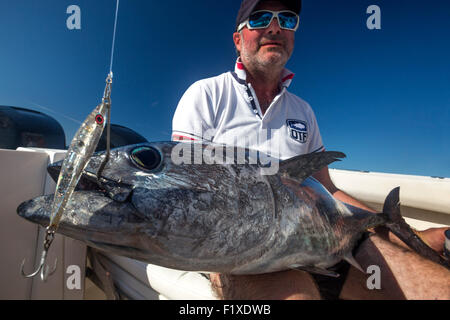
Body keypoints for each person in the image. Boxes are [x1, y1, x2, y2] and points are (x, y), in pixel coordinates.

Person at [171, 0, 450, 300]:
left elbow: (327, 188)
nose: (275, 27)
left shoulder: (303, 111)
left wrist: (393, 227)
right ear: (238, 40)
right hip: (242, 252)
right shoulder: (205, 95)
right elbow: (189, 191)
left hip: (322, 240)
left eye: (287, 20)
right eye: (261, 18)